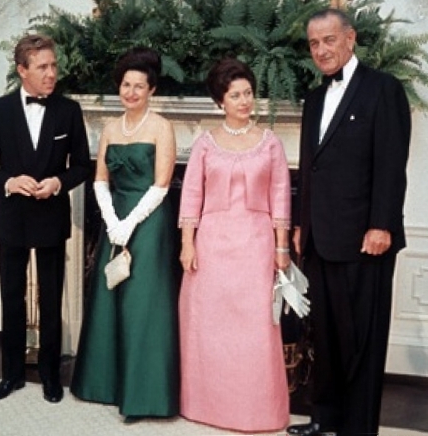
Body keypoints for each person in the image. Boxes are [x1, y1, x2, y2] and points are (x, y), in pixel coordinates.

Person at [286, 8, 411, 436]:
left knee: (362, 341)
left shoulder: (383, 89)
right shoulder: (315, 98)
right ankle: (324, 419)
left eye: (329, 40)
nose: (322, 50)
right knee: (327, 337)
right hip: (321, 238)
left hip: (365, 239)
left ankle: (358, 429)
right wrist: (303, 225)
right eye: (314, 43)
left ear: (351, 38)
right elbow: (310, 167)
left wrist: (383, 225)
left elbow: (392, 164)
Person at [0, 34, 91, 403]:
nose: (52, 73)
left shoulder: (68, 110)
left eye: (54, 65)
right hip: (12, 218)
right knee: (12, 297)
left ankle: (52, 377)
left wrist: (58, 182)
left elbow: (83, 165)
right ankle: (11, 376)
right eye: (43, 67)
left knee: (52, 300)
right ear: (22, 70)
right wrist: (8, 181)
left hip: (51, 217)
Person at [178, 58, 291, 433]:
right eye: (235, 94)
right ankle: (204, 405)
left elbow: (280, 198)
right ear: (220, 101)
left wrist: (281, 248)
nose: (244, 101)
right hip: (211, 246)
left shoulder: (270, 143)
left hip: (256, 246)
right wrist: (187, 244)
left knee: (256, 328)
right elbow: (191, 196)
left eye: (248, 93)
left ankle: (258, 411)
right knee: (208, 327)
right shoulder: (205, 144)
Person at [70, 47, 180, 421]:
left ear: (151, 90)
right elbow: (100, 179)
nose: (131, 92)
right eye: (125, 85)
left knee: (143, 304)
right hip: (114, 218)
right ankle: (104, 386)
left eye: (139, 86)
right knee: (110, 298)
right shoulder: (111, 128)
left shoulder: (162, 126)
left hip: (148, 222)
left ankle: (144, 395)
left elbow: (162, 185)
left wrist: (128, 224)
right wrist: (111, 220)